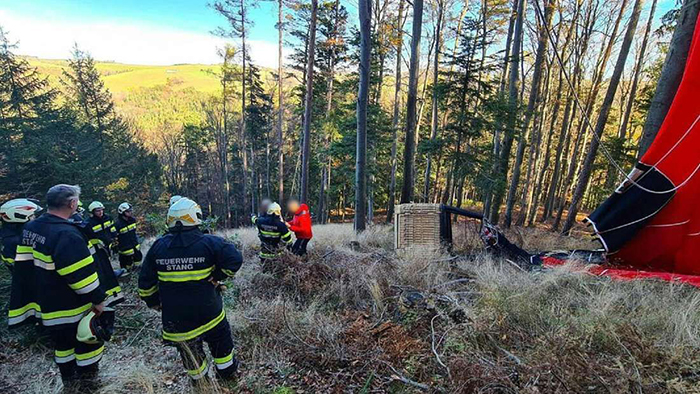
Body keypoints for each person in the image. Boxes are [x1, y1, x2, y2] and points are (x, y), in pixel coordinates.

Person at [138, 198, 243, 383]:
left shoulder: (158, 246)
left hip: (177, 320)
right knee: (222, 345)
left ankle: (201, 383)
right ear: (195, 217)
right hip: (210, 314)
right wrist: (218, 276)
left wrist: (154, 302)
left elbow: (145, 284)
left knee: (190, 354)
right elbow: (235, 259)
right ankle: (228, 378)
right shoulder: (209, 242)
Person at [21, 185, 109, 391]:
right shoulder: (66, 235)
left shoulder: (32, 228)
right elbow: (81, 277)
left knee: (62, 348)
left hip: (48, 306)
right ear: (72, 203)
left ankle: (70, 384)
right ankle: (89, 387)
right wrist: (99, 300)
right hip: (72, 308)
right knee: (86, 348)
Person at [2, 199, 42, 328]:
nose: (34, 218)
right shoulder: (16, 240)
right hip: (34, 283)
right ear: (19, 216)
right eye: (32, 216)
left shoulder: (10, 234)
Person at [84, 201, 124, 301]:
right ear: (92, 212)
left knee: (108, 261)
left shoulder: (108, 218)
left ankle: (112, 273)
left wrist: (115, 239)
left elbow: (112, 229)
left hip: (108, 245)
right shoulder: (89, 223)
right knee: (101, 264)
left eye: (101, 210)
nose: (100, 212)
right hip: (97, 248)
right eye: (98, 211)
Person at [113, 202, 142, 271]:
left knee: (138, 259)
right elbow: (114, 237)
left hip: (135, 246)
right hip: (125, 249)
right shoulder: (117, 224)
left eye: (130, 211)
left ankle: (136, 272)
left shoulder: (132, 220)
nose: (130, 213)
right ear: (122, 212)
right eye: (128, 211)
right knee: (126, 264)